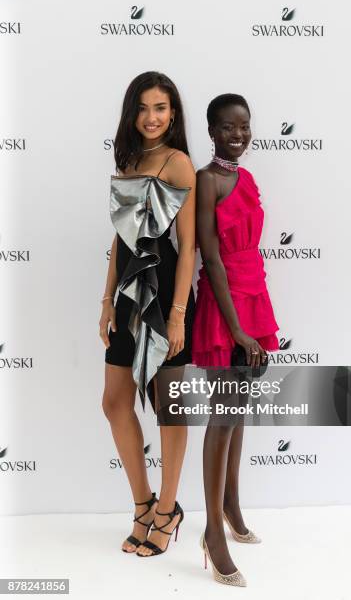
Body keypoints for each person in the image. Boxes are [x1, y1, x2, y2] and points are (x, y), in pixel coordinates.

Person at [100, 71, 196, 557]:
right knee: (115, 400)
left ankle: (169, 509)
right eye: (142, 108)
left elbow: (188, 246)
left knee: (169, 406)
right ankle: (143, 504)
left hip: (166, 299)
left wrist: (178, 314)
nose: (151, 117)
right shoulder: (128, 161)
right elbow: (120, 240)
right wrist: (106, 302)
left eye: (160, 108)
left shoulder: (180, 164)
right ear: (131, 113)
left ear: (173, 113)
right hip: (128, 298)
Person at [192, 93, 279, 586]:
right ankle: (212, 533)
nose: (238, 135)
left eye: (244, 126)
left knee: (239, 411)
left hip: (254, 296)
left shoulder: (246, 178)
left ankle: (232, 506)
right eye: (227, 127)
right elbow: (212, 256)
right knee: (222, 418)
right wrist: (238, 329)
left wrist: (256, 320)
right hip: (226, 307)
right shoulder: (207, 181)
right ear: (212, 131)